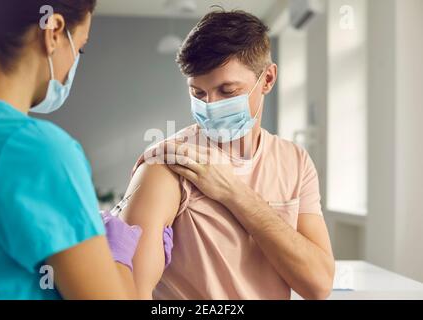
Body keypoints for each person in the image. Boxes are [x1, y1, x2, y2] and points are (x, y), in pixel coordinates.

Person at [120, 10, 335, 300]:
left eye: (227, 90)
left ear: (268, 79)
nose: (210, 106)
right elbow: (128, 292)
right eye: (198, 94)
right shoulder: (168, 164)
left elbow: (318, 285)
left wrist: (234, 194)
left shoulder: (295, 162)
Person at [0, 0, 142, 299]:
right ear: (53, 32)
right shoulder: (35, 150)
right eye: (80, 48)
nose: (74, 61)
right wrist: (119, 257)